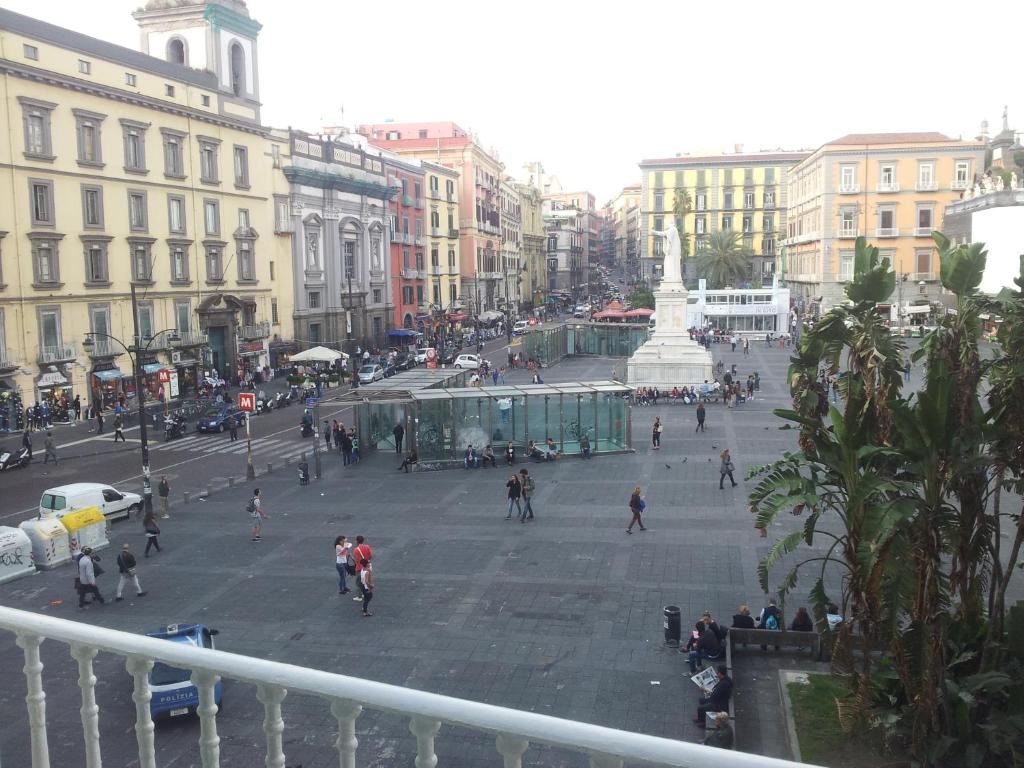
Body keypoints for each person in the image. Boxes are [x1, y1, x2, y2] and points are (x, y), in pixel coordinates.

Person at [352, 536, 372, 603]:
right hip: (366, 567)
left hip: (359, 568)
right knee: (365, 580)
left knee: (358, 582)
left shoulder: (356, 550)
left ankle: (359, 596)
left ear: (357, 541)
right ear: (363, 540)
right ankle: (365, 593)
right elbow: (370, 556)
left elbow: (356, 560)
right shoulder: (367, 547)